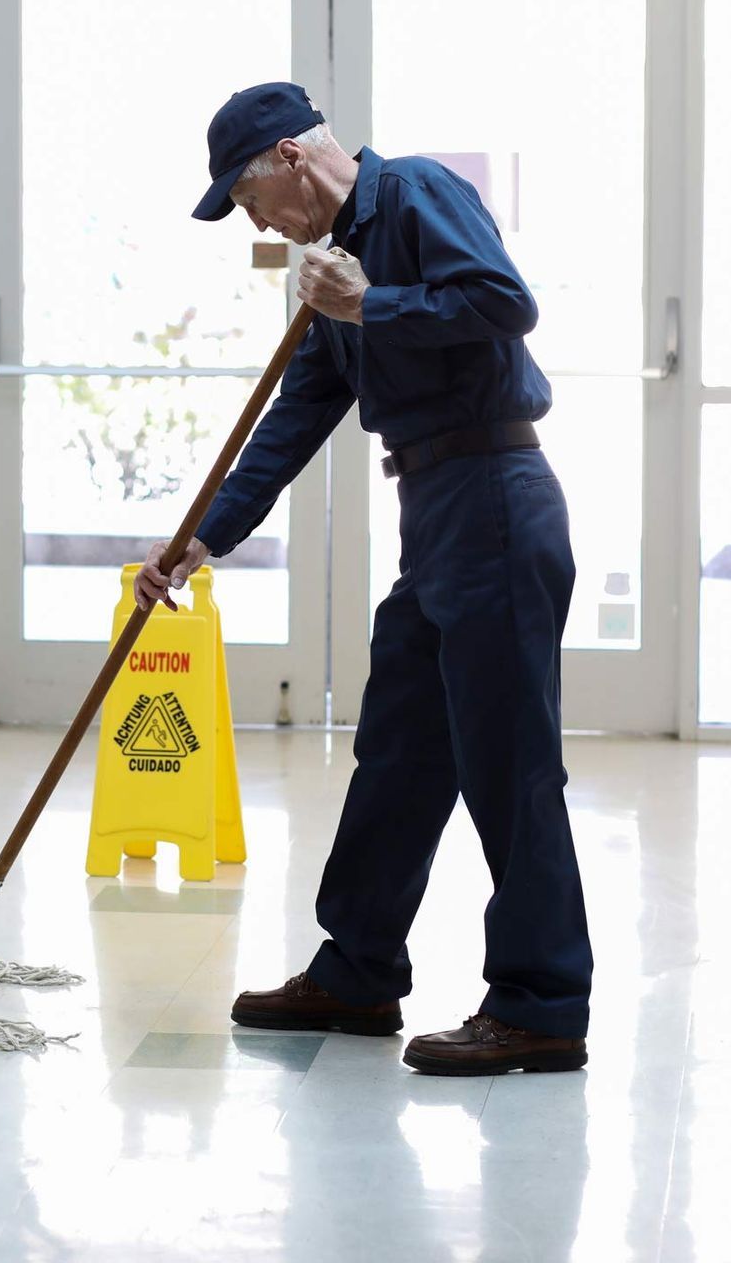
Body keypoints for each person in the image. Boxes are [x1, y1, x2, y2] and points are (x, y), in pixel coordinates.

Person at [135, 82, 592, 1075]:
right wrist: (198, 540)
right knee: (398, 751)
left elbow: (507, 303)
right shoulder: (325, 275)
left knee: (510, 764)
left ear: (292, 162)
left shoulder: (416, 193)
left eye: (252, 200)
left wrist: (372, 301)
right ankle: (358, 971)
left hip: (499, 497)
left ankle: (542, 1001)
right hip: (433, 514)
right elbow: (295, 417)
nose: (256, 223)